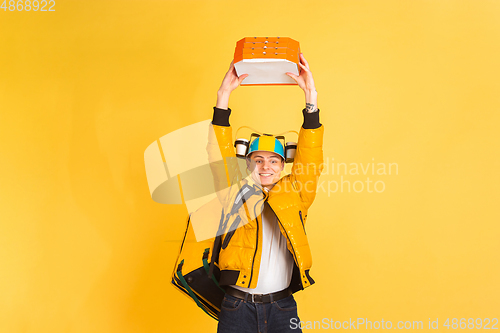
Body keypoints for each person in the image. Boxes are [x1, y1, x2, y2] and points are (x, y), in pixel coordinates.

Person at [209, 53, 324, 333]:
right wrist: (223, 97)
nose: (266, 166)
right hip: (237, 307)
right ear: (247, 163)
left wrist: (311, 99)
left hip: (283, 307)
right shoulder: (233, 192)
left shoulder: (296, 193)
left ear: (283, 166)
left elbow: (310, 158)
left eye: (274, 161)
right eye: (258, 160)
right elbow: (218, 156)